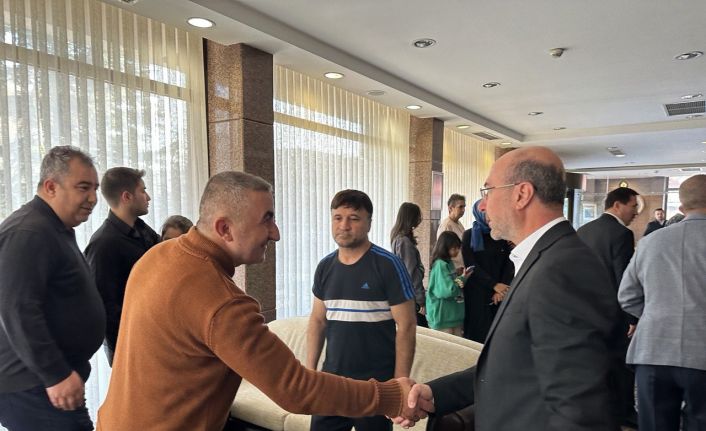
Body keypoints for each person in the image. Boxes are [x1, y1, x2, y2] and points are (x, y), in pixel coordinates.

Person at [97, 173, 414, 430]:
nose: (275, 233)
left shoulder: (156, 257)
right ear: (225, 228)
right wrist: (392, 396)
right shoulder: (222, 302)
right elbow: (295, 389)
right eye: (267, 219)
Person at [396, 146, 618, 431]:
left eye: (488, 191)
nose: (483, 205)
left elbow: (579, 409)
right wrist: (436, 393)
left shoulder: (564, 270)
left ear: (521, 194)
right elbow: (514, 366)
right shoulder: (544, 258)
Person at [0, 146, 105, 430]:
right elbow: (18, 310)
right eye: (83, 187)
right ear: (50, 187)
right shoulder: (28, 231)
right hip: (33, 385)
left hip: (46, 382)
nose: (93, 198)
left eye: (95, 188)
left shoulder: (53, 228)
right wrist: (55, 374)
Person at [307, 189, 417, 431]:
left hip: (375, 386)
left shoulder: (388, 265)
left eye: (354, 218)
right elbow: (317, 321)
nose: (344, 225)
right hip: (332, 383)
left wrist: (399, 384)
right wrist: (309, 372)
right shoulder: (325, 267)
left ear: (369, 223)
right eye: (337, 217)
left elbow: (407, 325)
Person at [618, 174, 706, 431]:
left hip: (652, 350)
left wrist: (656, 314)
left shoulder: (650, 242)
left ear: (682, 206)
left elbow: (627, 296)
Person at [577, 186, 640, 428]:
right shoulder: (621, 234)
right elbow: (624, 279)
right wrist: (631, 317)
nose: (635, 212)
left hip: (585, 309)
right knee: (620, 365)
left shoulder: (584, 230)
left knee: (593, 362)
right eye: (633, 206)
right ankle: (623, 412)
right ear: (617, 205)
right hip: (612, 312)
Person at [85, 167, 160, 366]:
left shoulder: (142, 229)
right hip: (130, 349)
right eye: (143, 191)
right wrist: (128, 348)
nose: (148, 197)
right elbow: (105, 308)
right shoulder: (103, 244)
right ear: (127, 197)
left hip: (154, 337)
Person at [460, 199, 514, 343]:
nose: (489, 215)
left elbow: (509, 262)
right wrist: (493, 285)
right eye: (485, 211)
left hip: (499, 294)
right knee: (476, 336)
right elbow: (471, 265)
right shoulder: (469, 235)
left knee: (496, 336)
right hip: (476, 293)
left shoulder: (500, 234)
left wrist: (501, 288)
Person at [426, 231, 471, 336]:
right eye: (454, 248)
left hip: (451, 316)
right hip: (443, 319)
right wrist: (462, 278)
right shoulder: (440, 265)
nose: (457, 251)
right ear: (444, 248)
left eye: (458, 248)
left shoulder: (448, 263)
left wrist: (460, 276)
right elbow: (448, 291)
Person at [390, 202, 427, 327]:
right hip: (411, 297)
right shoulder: (404, 242)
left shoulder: (397, 237)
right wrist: (421, 300)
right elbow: (411, 273)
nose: (419, 220)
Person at [436, 194, 466, 270]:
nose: (463, 210)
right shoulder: (446, 226)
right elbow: (442, 251)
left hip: (461, 267)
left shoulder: (459, 223)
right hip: (452, 269)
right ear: (450, 208)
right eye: (460, 207)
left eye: (464, 207)